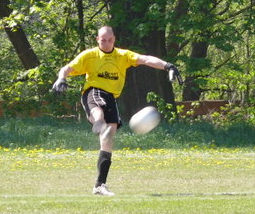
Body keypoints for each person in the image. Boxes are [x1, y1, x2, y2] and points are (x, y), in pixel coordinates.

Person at [52, 25, 183, 196]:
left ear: (114, 39)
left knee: (108, 139)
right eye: (103, 40)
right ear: (97, 39)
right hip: (93, 91)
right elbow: (67, 68)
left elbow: (145, 59)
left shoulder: (122, 56)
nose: (106, 43)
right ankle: (98, 122)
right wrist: (61, 78)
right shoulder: (89, 56)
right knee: (99, 113)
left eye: (109, 40)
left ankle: (99, 185)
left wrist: (168, 66)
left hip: (111, 98)